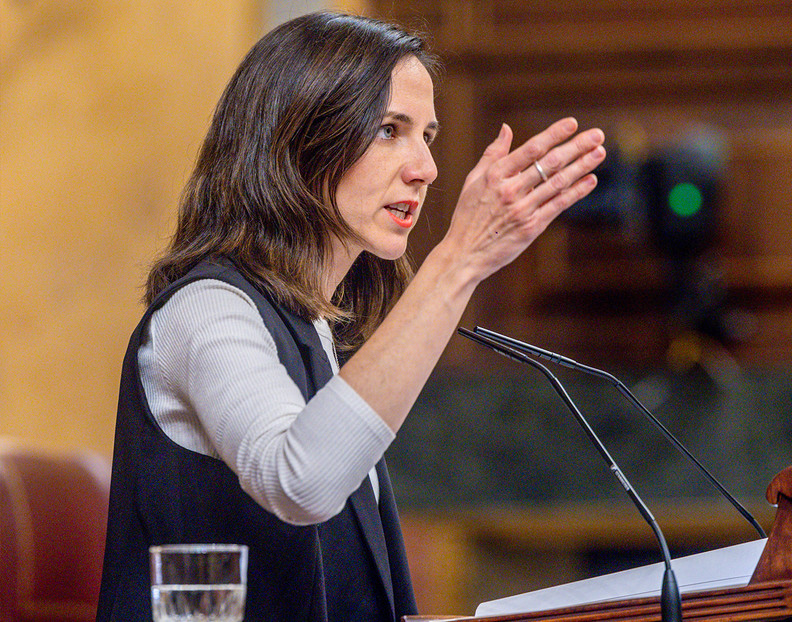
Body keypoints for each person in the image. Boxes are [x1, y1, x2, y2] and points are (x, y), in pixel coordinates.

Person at [95, 11, 605, 622]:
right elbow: (299, 482)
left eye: (428, 135)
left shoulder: (317, 329)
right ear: (298, 138)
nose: (426, 167)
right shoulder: (206, 309)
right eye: (390, 129)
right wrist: (459, 262)